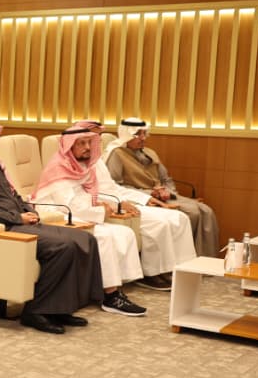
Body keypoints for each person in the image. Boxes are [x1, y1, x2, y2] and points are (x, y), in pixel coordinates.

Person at [0, 120, 104, 334]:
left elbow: (13, 196)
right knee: (63, 247)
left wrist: (29, 210)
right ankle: (35, 311)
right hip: (2, 229)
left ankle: (61, 308)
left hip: (20, 222)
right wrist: (17, 217)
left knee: (86, 239)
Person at [32, 124, 148, 316]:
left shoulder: (82, 166)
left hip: (77, 213)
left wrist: (100, 204)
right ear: (69, 146)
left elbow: (84, 198)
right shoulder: (58, 168)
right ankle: (110, 297)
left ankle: (112, 287)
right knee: (103, 237)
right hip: (57, 216)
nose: (87, 147)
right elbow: (69, 204)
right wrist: (100, 209)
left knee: (124, 232)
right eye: (81, 143)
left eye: (89, 142)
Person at [68, 120, 195, 288]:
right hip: (105, 207)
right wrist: (119, 203)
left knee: (179, 217)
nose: (93, 143)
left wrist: (145, 199)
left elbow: (112, 187)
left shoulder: (95, 161)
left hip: (118, 201)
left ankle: (179, 270)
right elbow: (87, 197)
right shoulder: (67, 164)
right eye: (87, 140)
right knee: (160, 223)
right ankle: (153, 273)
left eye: (96, 138)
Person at [104, 117, 220, 257]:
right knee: (193, 213)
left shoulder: (150, 152)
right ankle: (187, 258)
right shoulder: (116, 154)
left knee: (206, 211)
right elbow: (116, 186)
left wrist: (169, 192)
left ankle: (204, 257)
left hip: (165, 196)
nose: (143, 138)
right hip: (142, 199)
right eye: (138, 134)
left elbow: (166, 179)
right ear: (126, 135)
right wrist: (150, 193)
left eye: (144, 133)